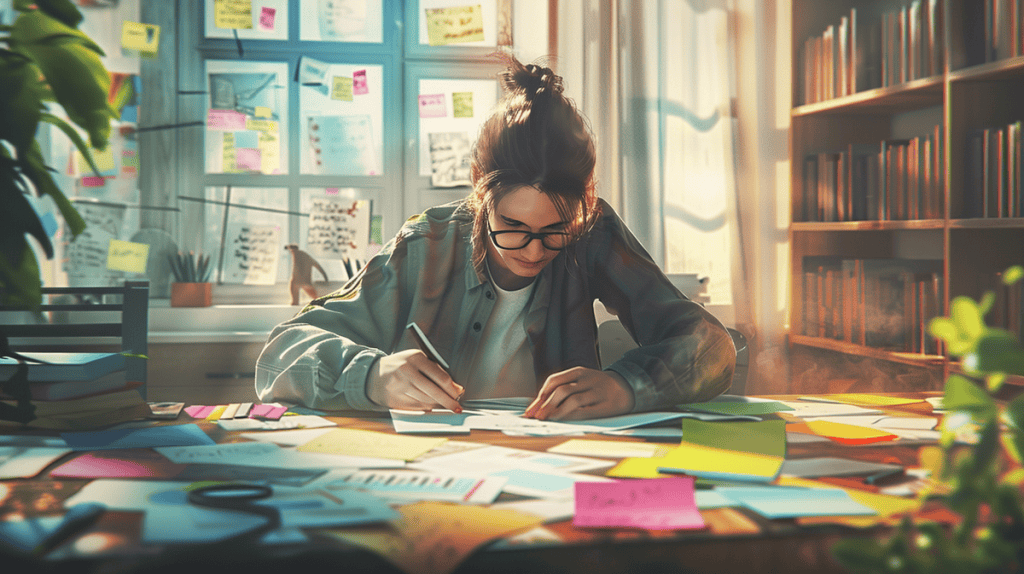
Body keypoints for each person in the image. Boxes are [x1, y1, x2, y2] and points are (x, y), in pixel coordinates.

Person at [255, 53, 735, 421]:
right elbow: (279, 355)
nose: (533, 251)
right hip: (432, 467)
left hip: (555, 461)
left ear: (586, 200)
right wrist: (371, 376)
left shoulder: (592, 233)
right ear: (478, 186)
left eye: (555, 231)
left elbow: (711, 345)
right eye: (513, 228)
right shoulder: (427, 244)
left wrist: (627, 387)